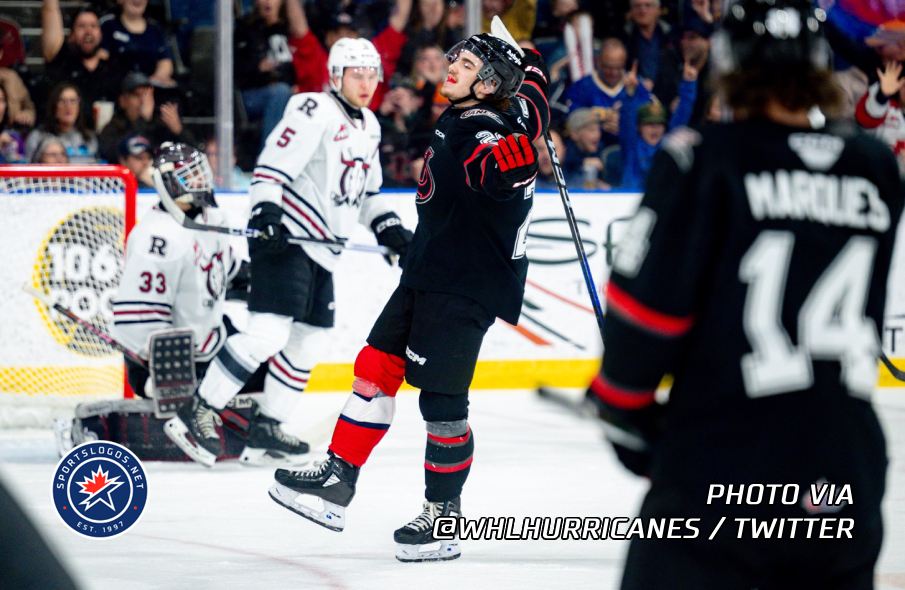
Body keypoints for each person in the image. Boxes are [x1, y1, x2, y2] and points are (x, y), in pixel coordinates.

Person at [589, 0, 902, 587]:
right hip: (845, 473)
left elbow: (645, 316)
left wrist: (623, 409)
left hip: (725, 464)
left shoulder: (701, 158)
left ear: (729, 64)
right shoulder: (874, 167)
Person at [267, 30, 550, 562]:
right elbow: (531, 109)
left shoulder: (484, 130)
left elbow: (496, 166)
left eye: (466, 64)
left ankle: (444, 516)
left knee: (442, 400)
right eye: (457, 59)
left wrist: (516, 150)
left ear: (488, 84)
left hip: (465, 284)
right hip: (429, 269)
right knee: (375, 366)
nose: (452, 68)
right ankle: (338, 479)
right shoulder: (482, 113)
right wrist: (532, 67)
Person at [164, 38, 413, 469]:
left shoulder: (369, 125)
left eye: (373, 73)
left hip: (322, 251)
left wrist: (390, 229)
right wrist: (265, 214)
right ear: (336, 76)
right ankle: (197, 411)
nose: (367, 82)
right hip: (287, 240)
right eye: (358, 73)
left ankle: (267, 426)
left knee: (309, 341)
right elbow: (269, 170)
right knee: (268, 334)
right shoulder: (313, 110)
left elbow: (366, 194)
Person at [112, 143, 304, 465]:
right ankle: (194, 418)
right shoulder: (156, 239)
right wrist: (165, 377)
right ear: (170, 184)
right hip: (168, 358)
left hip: (211, 341)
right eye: (191, 177)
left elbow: (228, 277)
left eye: (201, 173)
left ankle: (260, 430)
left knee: (270, 353)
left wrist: (272, 272)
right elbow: (138, 322)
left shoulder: (211, 217)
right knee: (223, 381)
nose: (202, 182)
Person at [42, 0, 122, 127]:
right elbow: (50, 9)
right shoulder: (62, 62)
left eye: (93, 26)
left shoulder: (113, 69)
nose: (88, 31)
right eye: (81, 26)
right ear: (71, 36)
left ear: (101, 34)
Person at [97, 72, 193, 164]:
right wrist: (143, 120)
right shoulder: (112, 129)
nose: (143, 101)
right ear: (123, 101)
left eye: (146, 94)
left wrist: (179, 130)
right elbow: (117, 155)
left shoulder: (160, 123)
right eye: (137, 95)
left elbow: (194, 153)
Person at [100, 0, 175, 84]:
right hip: (118, 87)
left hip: (149, 88)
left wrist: (155, 80)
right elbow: (101, 59)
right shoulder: (109, 26)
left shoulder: (155, 29)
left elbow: (166, 62)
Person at [25, 83, 98, 163]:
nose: (68, 106)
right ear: (54, 106)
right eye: (62, 101)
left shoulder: (89, 138)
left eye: (73, 101)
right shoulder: (37, 137)